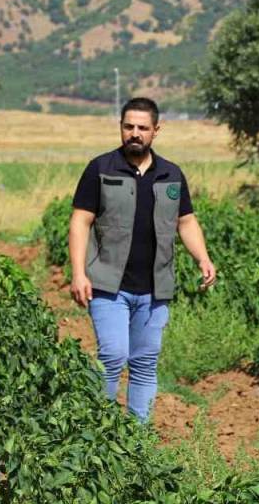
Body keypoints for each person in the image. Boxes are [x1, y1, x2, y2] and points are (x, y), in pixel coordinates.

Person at [67, 97, 216, 422]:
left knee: (145, 363)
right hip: (108, 284)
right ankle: (99, 430)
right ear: (121, 127)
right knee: (112, 355)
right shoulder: (101, 168)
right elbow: (80, 220)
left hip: (155, 288)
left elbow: (186, 221)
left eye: (142, 128)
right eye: (129, 126)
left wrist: (203, 258)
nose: (135, 133)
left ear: (156, 130)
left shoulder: (171, 174)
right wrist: (79, 273)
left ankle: (137, 437)